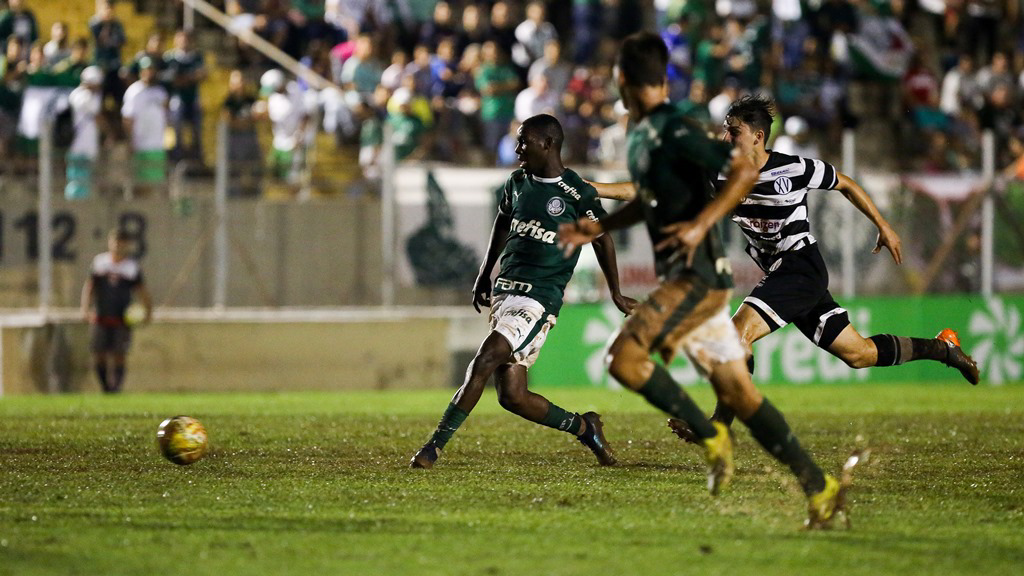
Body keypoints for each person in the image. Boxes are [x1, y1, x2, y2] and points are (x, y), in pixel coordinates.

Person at [558, 31, 851, 529]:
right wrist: (600, 218)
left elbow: (743, 174)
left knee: (622, 359)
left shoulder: (674, 130)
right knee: (741, 395)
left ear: (626, 81)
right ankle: (819, 486)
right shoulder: (644, 135)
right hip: (691, 276)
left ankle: (713, 436)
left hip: (697, 277)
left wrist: (700, 225)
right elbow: (650, 198)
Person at [663, 95, 980, 440]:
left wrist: (883, 225)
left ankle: (717, 426)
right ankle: (943, 348)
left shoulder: (793, 168)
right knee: (859, 354)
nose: (725, 138)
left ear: (757, 136)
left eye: (733, 131)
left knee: (737, 335)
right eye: (725, 130)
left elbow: (845, 183)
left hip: (800, 266)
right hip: (786, 274)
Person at [410, 113, 636, 470]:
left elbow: (602, 239)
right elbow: (503, 222)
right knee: (512, 396)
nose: (517, 149)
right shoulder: (517, 182)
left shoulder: (576, 192)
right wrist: (485, 273)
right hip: (506, 291)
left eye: (523, 142)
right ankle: (584, 427)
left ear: (547, 143)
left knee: (485, 358)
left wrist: (616, 293)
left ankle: (433, 447)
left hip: (539, 299)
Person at [80, 229, 153, 393]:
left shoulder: (131, 267)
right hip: (101, 316)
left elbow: (141, 291)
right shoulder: (100, 263)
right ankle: (105, 387)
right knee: (99, 353)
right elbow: (90, 286)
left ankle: (116, 388)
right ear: (110, 242)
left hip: (122, 318)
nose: (118, 245)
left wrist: (148, 310)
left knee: (119, 353)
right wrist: (85, 309)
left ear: (126, 245)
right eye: (115, 241)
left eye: (122, 242)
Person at [121, 56, 168, 196]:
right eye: (146, 69)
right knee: (140, 184)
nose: (149, 72)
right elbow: (127, 118)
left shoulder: (161, 92)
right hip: (140, 144)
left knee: (156, 183)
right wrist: (130, 141)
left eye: (152, 69)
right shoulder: (134, 91)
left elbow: (166, 116)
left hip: (157, 145)